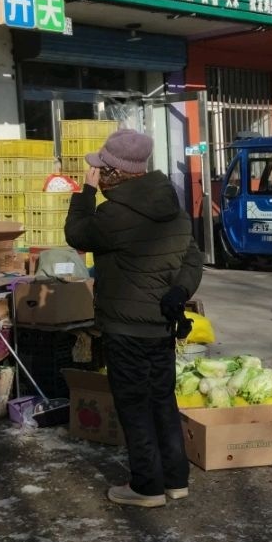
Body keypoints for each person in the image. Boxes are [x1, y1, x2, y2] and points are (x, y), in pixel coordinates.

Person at [65, 128, 203, 508]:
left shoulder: (114, 213)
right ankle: (175, 479)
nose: (97, 173)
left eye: (100, 169)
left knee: (134, 405)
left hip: (126, 328)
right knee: (162, 400)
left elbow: (76, 233)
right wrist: (180, 291)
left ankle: (146, 487)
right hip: (162, 323)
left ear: (113, 172)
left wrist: (86, 192)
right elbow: (192, 257)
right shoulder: (171, 205)